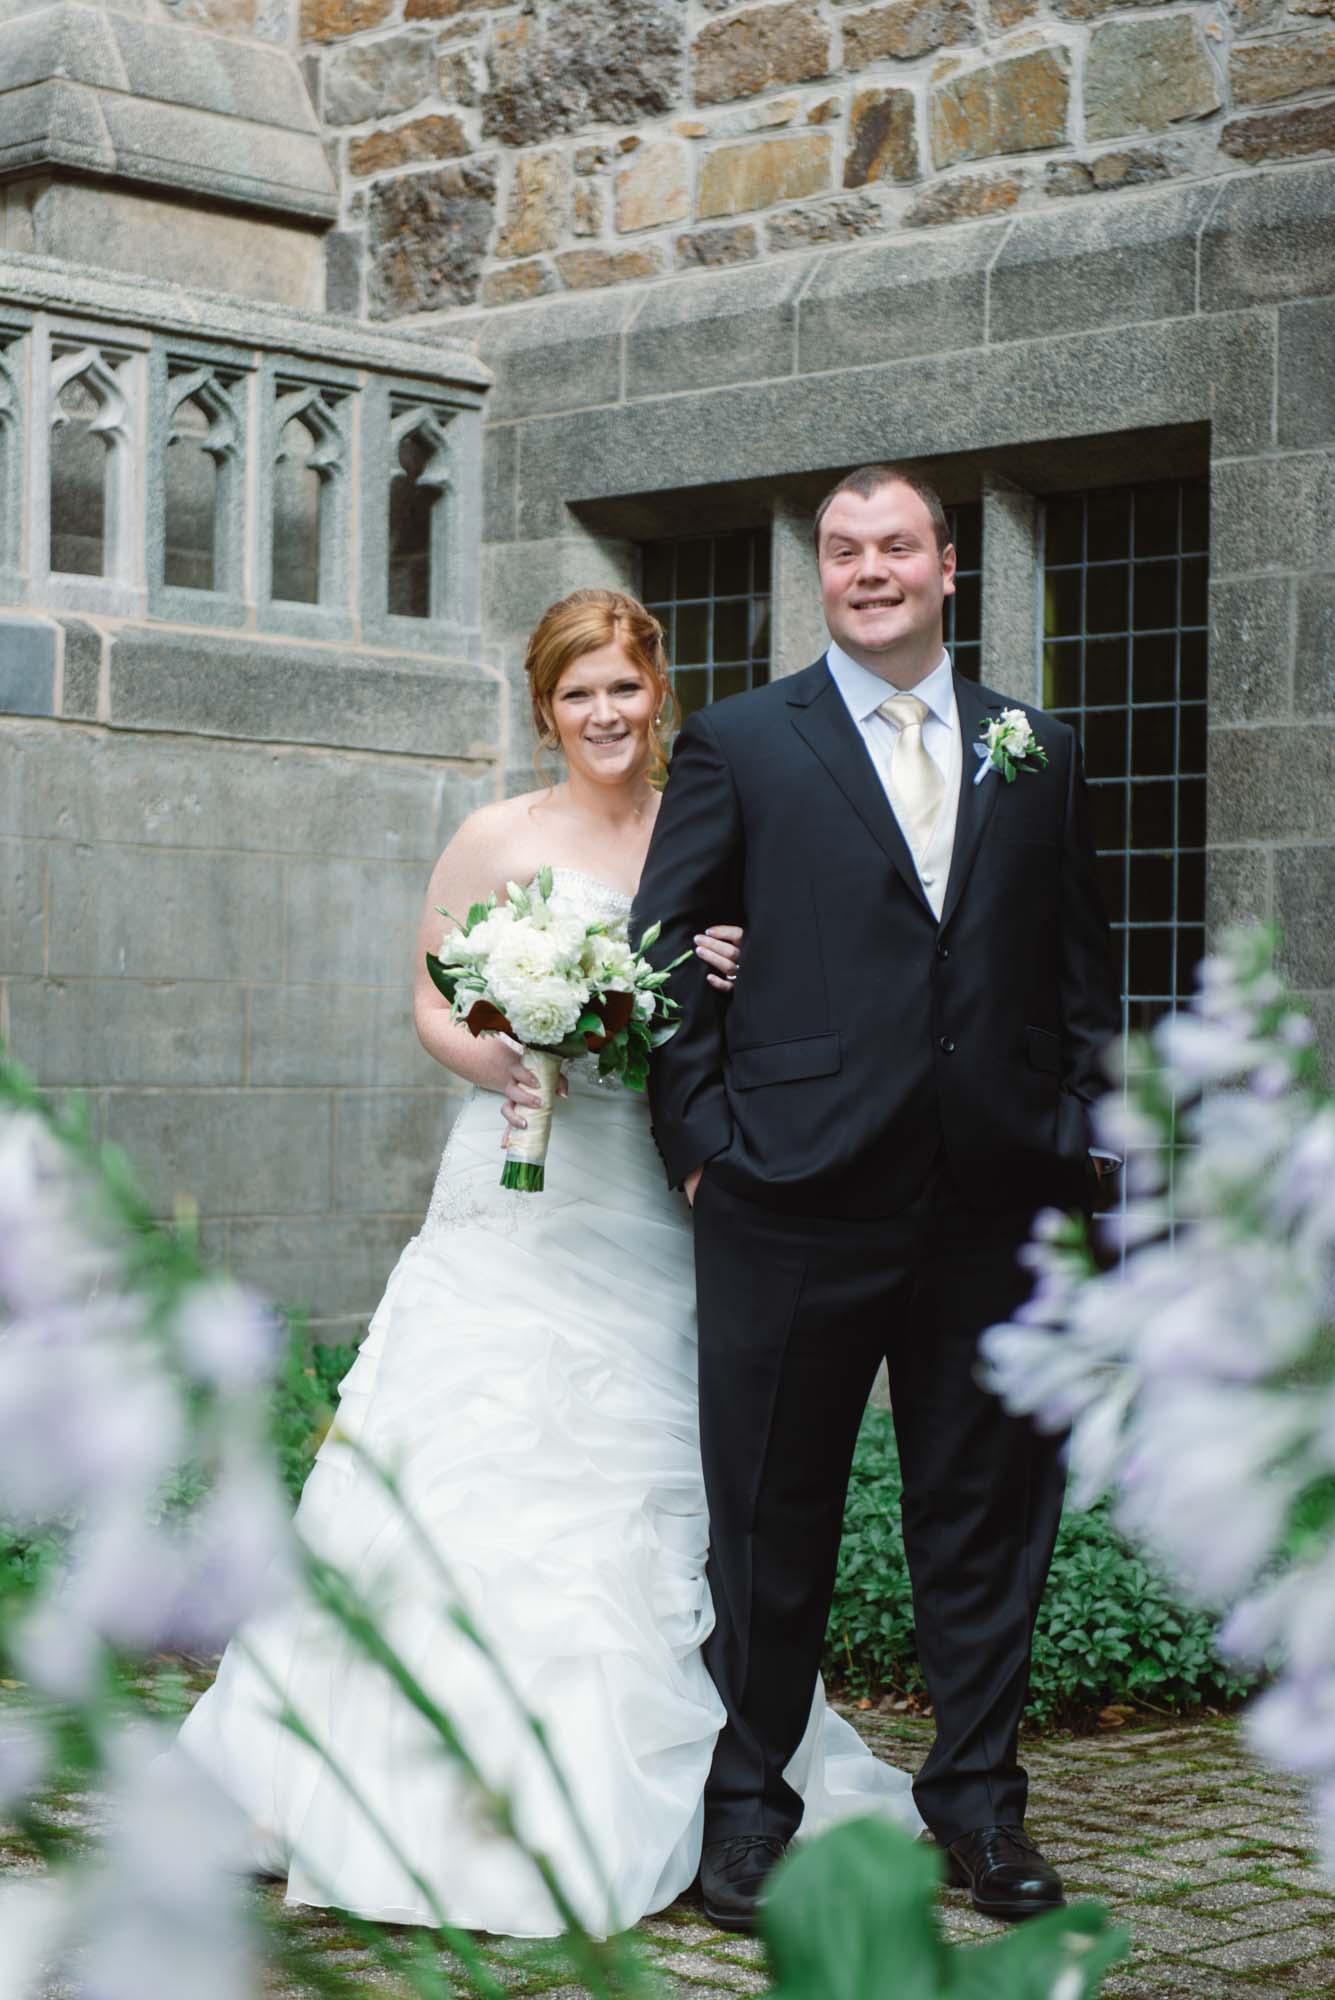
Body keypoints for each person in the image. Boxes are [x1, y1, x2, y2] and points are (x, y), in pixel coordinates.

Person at [176, 587, 920, 1938]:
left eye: (625, 690)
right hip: (515, 1186)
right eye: (580, 695)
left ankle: (709, 1791)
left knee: (664, 1475)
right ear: (545, 710)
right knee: (468, 1454)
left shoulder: (708, 824)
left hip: (650, 1184)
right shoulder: (496, 834)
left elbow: (766, 992)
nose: (606, 716)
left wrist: (728, 969)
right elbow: (427, 994)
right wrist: (508, 1050)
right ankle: (391, 1788)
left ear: (658, 695)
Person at [633, 466, 1121, 1932]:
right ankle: (746, 1810)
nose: (867, 569)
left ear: (947, 566)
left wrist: (1084, 1137)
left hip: (995, 1197)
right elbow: (667, 957)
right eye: (843, 551)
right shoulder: (740, 741)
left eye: (894, 545)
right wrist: (706, 1144)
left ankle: (978, 1810)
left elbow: (1079, 969)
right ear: (823, 579)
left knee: (982, 1518)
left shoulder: (1037, 743)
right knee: (772, 1519)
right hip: (789, 1195)